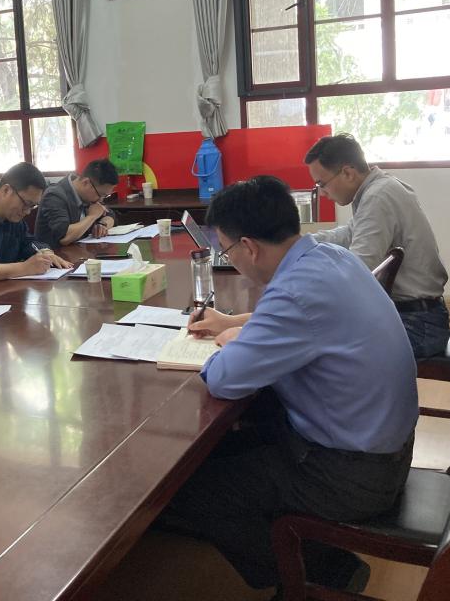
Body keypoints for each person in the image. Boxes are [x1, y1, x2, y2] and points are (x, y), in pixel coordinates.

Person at [155, 176, 417, 594]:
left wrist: (229, 343)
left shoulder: (296, 292)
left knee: (191, 489)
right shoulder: (331, 257)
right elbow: (299, 319)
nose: (230, 259)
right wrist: (237, 325)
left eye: (227, 250)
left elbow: (224, 379)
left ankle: (318, 571)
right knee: (239, 431)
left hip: (350, 476)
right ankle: (299, 545)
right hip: (383, 450)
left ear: (249, 247)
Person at [304, 133, 449, 359]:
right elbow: (350, 233)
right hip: (419, 316)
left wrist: (307, 283)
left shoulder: (377, 197)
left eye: (322, 184)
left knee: (321, 351)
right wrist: (305, 242)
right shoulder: (380, 188)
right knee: (318, 338)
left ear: (348, 173)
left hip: (418, 325)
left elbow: (357, 269)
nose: (322, 193)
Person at [33, 158, 119, 248]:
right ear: (86, 183)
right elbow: (64, 237)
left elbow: (110, 215)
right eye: (101, 195)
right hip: (55, 254)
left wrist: (102, 225)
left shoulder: (89, 196)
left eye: (105, 196)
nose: (100, 200)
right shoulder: (54, 196)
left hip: (80, 252)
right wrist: (92, 217)